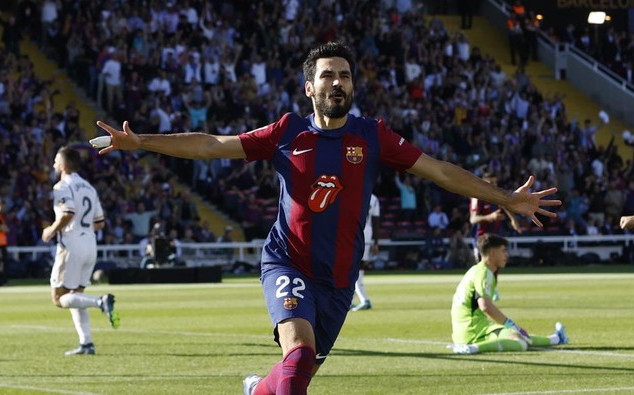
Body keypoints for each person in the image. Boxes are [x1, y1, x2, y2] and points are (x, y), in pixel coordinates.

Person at [95, 41, 560, 395]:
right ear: (309, 88)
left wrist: (506, 198)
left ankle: (258, 389)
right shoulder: (287, 132)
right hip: (288, 264)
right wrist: (144, 142)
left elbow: (439, 171)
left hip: (338, 280)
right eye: (328, 76)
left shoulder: (373, 136)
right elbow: (213, 144)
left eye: (344, 75)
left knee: (298, 372)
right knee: (298, 357)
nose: (338, 83)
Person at [41, 146, 120, 356]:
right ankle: (87, 344)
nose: (53, 165)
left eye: (56, 161)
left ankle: (100, 302)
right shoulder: (89, 187)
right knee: (75, 296)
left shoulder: (61, 186)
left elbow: (68, 213)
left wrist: (50, 230)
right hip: (90, 244)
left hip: (71, 245)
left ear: (64, 166)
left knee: (58, 298)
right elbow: (100, 222)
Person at [450, 234, 569, 354]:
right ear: (492, 253)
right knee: (520, 342)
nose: (506, 255)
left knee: (517, 334)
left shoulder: (476, 269)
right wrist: (510, 324)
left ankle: (556, 338)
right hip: (474, 331)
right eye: (503, 251)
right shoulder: (484, 273)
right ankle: (473, 348)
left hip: (465, 331)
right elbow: (485, 306)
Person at [350, 193, 380, 311]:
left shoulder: (354, 193)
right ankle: (350, 301)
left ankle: (364, 300)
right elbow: (376, 221)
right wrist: (376, 242)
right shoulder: (374, 198)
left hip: (355, 232)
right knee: (357, 268)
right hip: (368, 233)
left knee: (355, 268)